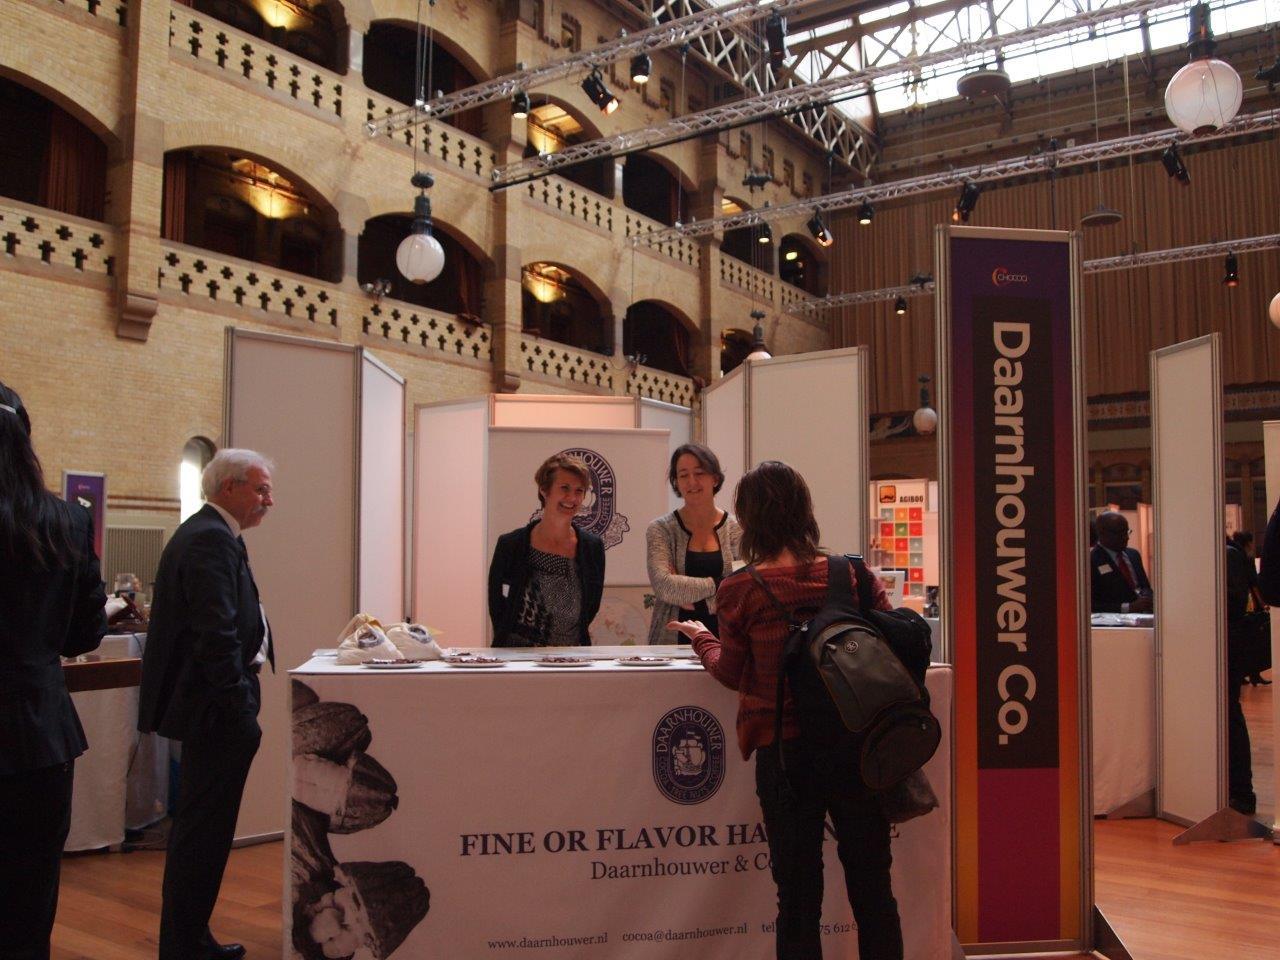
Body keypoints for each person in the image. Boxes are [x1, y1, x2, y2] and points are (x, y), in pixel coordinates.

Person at [669, 461, 902, 960]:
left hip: (785, 753)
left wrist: (702, 638)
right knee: (874, 889)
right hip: (859, 747)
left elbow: (731, 672)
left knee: (797, 899)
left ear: (750, 520)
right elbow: (889, 640)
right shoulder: (852, 573)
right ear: (805, 510)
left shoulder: (740, 589)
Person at [138, 448, 276, 960]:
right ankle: (184, 943)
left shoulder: (217, 535)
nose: (269, 501)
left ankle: (190, 938)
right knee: (203, 831)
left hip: (219, 704)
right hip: (216, 709)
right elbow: (214, 634)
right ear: (228, 487)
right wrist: (239, 708)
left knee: (206, 830)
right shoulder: (208, 540)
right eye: (261, 489)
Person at [0, 382, 107, 960]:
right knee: (29, 901)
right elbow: (83, 635)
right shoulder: (65, 521)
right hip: (37, 733)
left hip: (34, 729)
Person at [488, 453, 604, 646]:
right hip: (518, 656)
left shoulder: (593, 548)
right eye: (564, 488)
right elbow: (497, 605)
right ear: (544, 489)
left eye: (579, 491)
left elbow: (591, 605)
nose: (572, 497)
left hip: (571, 655)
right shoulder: (511, 545)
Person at [645, 443, 741, 644]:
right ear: (676, 482)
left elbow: (742, 589)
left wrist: (696, 604)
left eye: (699, 473)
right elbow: (664, 586)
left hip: (728, 642)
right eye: (683, 475)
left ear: (715, 478)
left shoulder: (737, 529)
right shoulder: (661, 529)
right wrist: (720, 583)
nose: (691, 481)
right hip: (672, 641)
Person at [1225, 536, 1257, 815]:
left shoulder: (1228, 555)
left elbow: (1236, 600)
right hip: (1211, 648)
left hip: (1227, 647)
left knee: (1230, 714)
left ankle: (1241, 792)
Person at [1090, 511, 1153, 613]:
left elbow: (1145, 586)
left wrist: (1146, 596)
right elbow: (1091, 605)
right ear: (1102, 534)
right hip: (1115, 620)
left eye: (1127, 532)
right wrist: (1128, 607)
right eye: (1120, 533)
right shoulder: (1091, 561)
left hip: (1144, 616)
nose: (1126, 537)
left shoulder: (1134, 555)